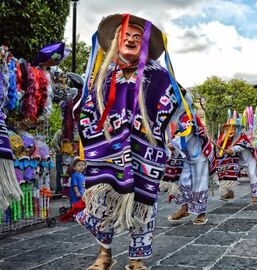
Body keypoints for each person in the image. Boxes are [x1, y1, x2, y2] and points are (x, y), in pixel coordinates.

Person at [76, 14, 191, 270]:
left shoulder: (158, 74)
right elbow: (88, 109)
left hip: (144, 153)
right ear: (117, 40)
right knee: (101, 202)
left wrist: (164, 124)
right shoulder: (104, 74)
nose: (130, 39)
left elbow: (182, 101)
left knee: (142, 205)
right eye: (125, 35)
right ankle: (104, 255)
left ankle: (136, 259)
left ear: (145, 44)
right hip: (107, 152)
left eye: (137, 37)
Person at [166, 114, 213, 225]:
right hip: (187, 157)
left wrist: (172, 144)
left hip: (200, 157)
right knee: (182, 181)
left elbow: (185, 135)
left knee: (199, 185)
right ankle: (184, 208)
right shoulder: (178, 118)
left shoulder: (190, 117)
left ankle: (201, 214)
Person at [216, 123, 257, 205]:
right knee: (227, 170)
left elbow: (242, 145)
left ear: (237, 129)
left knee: (251, 174)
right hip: (237, 162)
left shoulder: (242, 136)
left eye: (233, 128)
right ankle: (229, 192)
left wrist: (232, 149)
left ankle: (255, 196)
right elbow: (220, 148)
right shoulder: (225, 138)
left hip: (249, 160)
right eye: (228, 128)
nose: (230, 130)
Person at [51, 129, 63, 194]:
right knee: (59, 171)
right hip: (61, 155)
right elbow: (54, 142)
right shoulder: (60, 132)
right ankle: (59, 188)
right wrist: (59, 150)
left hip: (70, 154)